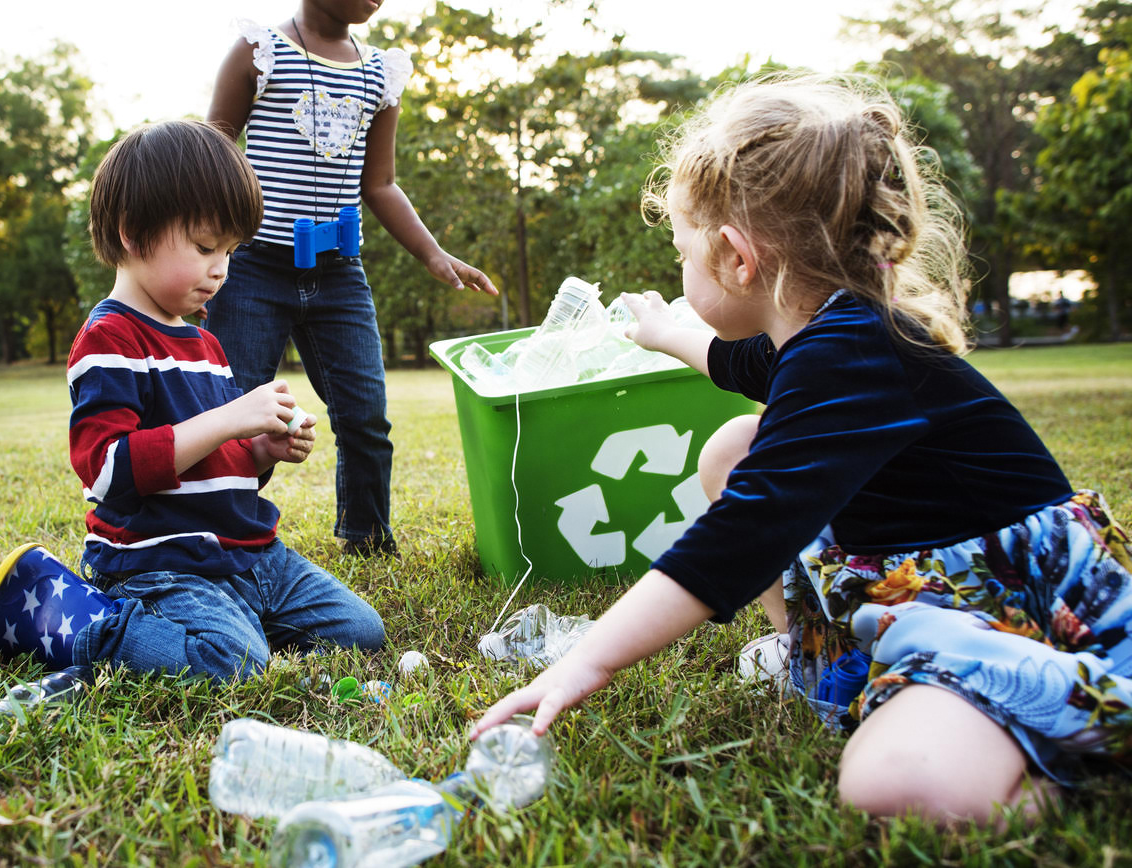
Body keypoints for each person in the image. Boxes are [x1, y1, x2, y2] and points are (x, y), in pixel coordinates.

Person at [472, 73, 1132, 825]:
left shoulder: (850, 351)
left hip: (1009, 601)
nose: (680, 274)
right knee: (733, 446)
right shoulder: (819, 332)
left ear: (735, 258)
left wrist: (586, 659)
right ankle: (811, 655)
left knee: (890, 786)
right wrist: (662, 334)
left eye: (682, 253)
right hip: (916, 577)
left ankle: (1064, 772)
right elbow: (735, 363)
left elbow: (744, 535)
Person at [0, 120, 384, 695]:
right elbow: (108, 471)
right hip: (162, 562)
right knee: (234, 666)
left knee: (361, 630)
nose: (221, 269)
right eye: (206, 247)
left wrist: (261, 449)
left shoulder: (205, 343)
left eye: (231, 252)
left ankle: (225, 620)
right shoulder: (110, 339)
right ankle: (82, 623)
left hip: (246, 554)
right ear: (134, 234)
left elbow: (216, 460)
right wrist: (230, 418)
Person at [205, 0, 498, 558]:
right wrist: (203, 260)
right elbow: (210, 159)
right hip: (255, 268)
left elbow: (381, 182)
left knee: (365, 415)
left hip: (340, 274)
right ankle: (228, 535)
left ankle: (367, 538)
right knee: (235, 412)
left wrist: (433, 254)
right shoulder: (259, 50)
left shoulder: (382, 71)